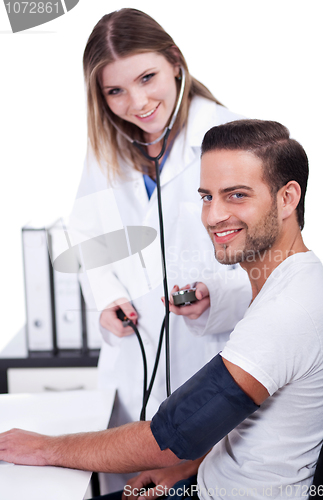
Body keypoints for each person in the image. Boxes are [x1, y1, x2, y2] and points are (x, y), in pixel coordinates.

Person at [1, 119, 323, 499]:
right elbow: (250, 427)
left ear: (288, 198)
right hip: (203, 481)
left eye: (237, 195)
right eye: (207, 196)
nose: (213, 216)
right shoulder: (296, 283)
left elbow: (171, 435)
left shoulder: (289, 309)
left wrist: (47, 448)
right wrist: (188, 466)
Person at [69, 8, 251, 493]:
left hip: (211, 362)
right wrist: (107, 299)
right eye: (115, 91)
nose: (138, 102)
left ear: (174, 61)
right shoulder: (106, 147)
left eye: (147, 77)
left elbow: (271, 255)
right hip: (135, 370)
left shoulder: (236, 137)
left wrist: (218, 295)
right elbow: (89, 236)